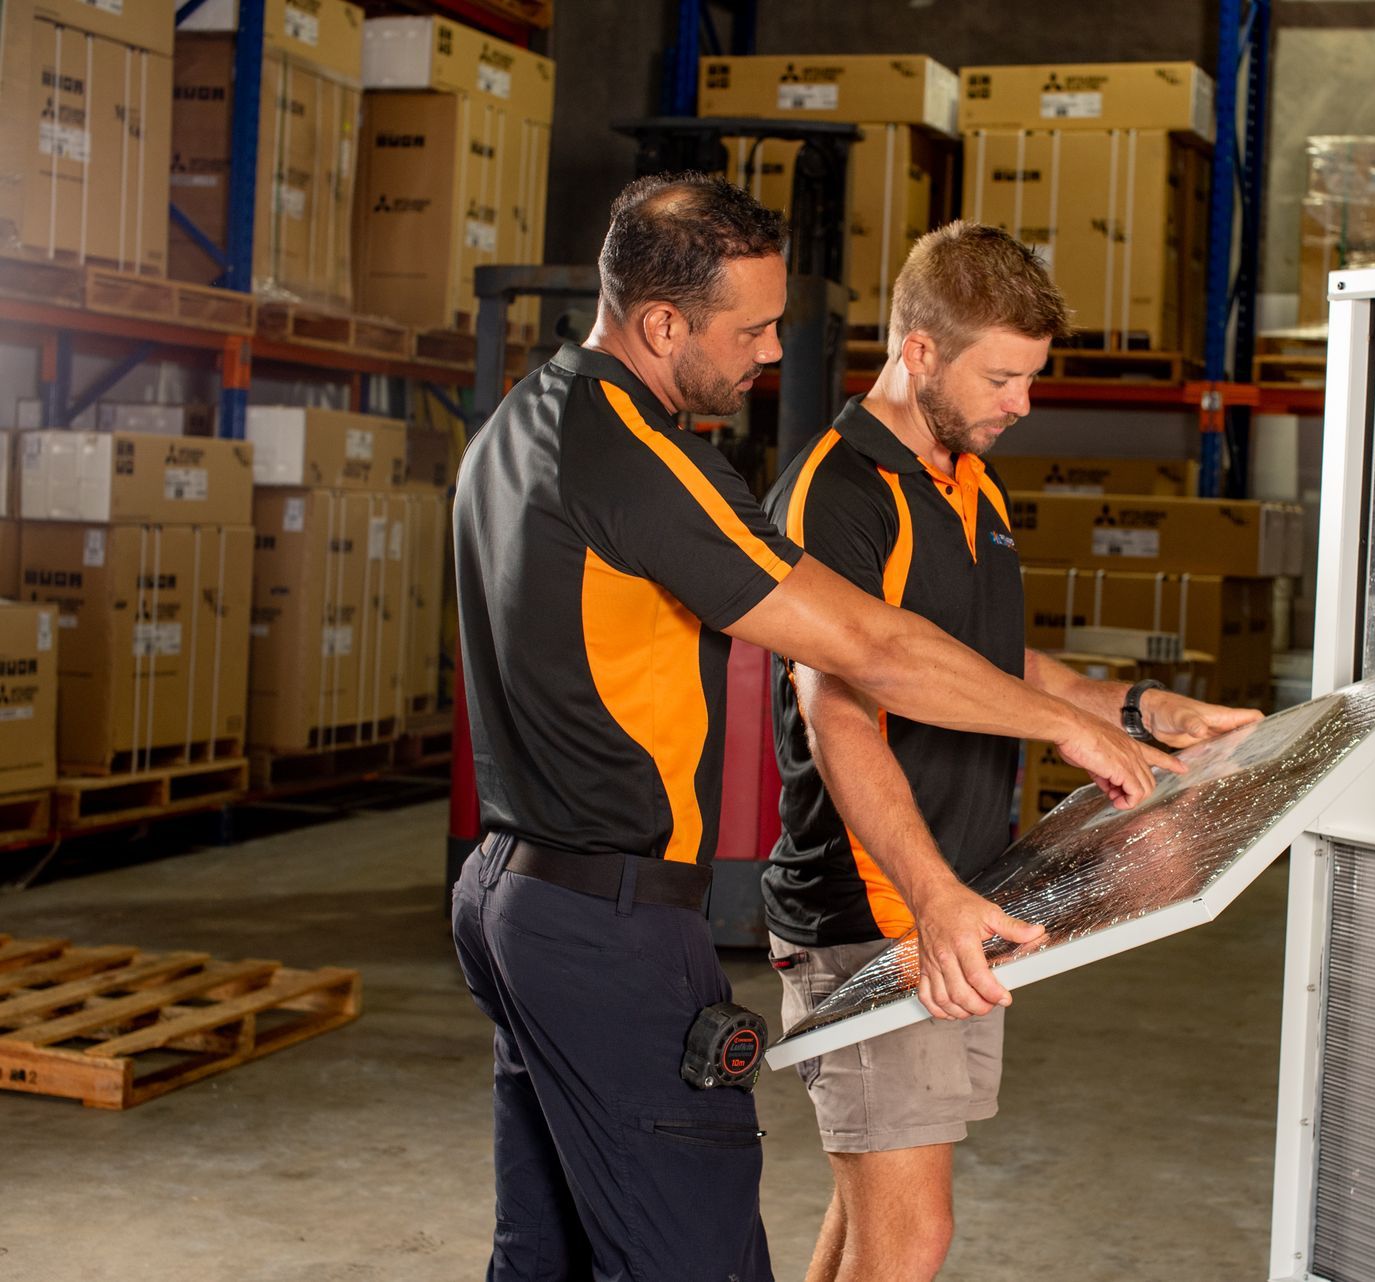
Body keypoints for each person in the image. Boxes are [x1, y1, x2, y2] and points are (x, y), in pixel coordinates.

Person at [449, 178, 1179, 1282]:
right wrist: (1062, 726)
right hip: (608, 914)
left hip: (516, 891)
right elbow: (863, 652)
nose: (774, 353)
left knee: (544, 1251)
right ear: (660, 325)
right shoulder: (636, 458)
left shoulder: (526, 417)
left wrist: (1103, 703)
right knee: (694, 1255)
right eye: (749, 330)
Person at [762, 221, 1264, 1282]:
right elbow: (837, 711)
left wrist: (1131, 705)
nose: (1022, 404)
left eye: (1031, 378)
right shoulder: (840, 493)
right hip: (884, 915)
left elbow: (991, 660)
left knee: (872, 1219)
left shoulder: (969, 484)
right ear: (919, 351)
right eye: (1003, 377)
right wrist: (932, 894)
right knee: (911, 1239)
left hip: (958, 903)